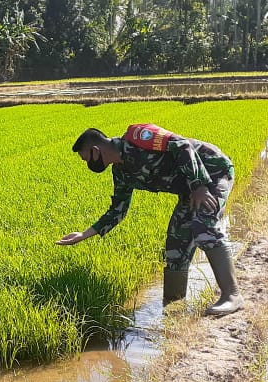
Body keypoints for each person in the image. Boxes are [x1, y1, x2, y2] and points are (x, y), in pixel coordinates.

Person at [56, 124, 244, 316]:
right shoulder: (121, 172)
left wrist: (199, 184)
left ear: (95, 151)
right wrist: (83, 234)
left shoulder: (139, 137)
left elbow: (182, 145)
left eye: (86, 158)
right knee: (176, 243)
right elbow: (117, 211)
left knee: (204, 227)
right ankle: (173, 305)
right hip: (190, 189)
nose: (88, 164)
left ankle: (232, 295)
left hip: (212, 172)